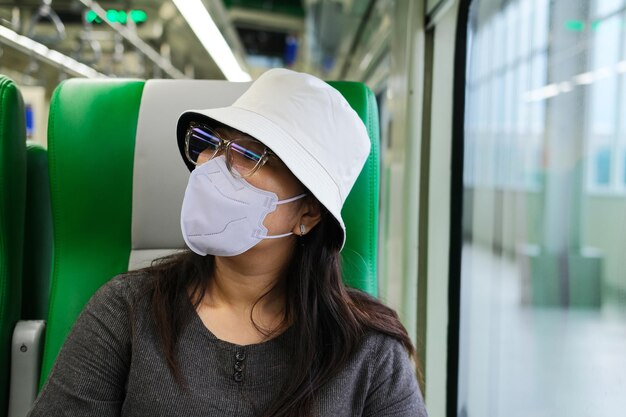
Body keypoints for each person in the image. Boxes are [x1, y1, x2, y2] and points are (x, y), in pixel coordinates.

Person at [28, 68, 428, 417]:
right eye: (212, 143)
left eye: (251, 154)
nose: (211, 165)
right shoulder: (127, 311)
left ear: (307, 214)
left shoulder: (370, 354)